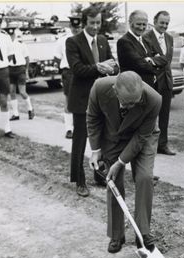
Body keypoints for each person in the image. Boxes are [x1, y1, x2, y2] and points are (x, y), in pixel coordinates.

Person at [87, 71, 161, 254]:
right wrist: (95, 150)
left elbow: (141, 137)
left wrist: (121, 161)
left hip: (143, 137)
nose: (129, 107)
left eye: (134, 104)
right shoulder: (99, 88)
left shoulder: (154, 99)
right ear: (115, 90)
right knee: (113, 181)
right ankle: (116, 234)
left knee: (144, 177)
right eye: (126, 103)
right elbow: (93, 118)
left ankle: (142, 233)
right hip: (113, 136)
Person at [66, 6, 119, 197]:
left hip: (102, 99)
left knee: (102, 139)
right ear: (83, 23)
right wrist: (98, 67)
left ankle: (99, 174)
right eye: (92, 23)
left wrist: (111, 68)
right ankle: (79, 180)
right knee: (80, 141)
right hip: (81, 100)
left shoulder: (103, 40)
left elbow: (113, 65)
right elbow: (78, 69)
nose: (96, 27)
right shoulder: (73, 42)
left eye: (99, 22)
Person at [142, 11, 176, 156]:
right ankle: (149, 146)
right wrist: (155, 59)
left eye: (167, 23)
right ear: (155, 21)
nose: (164, 25)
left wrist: (157, 58)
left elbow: (167, 58)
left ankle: (163, 144)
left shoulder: (169, 37)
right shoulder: (146, 37)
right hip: (152, 80)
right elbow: (146, 58)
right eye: (162, 22)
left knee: (164, 115)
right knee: (149, 115)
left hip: (166, 80)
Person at [117, 10, 165, 87]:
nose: (141, 27)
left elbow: (164, 59)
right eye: (138, 24)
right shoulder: (124, 41)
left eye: (144, 24)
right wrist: (156, 63)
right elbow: (141, 65)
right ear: (130, 23)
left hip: (150, 86)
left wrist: (149, 60)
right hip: (133, 88)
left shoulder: (146, 40)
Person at [54, 15, 83, 139]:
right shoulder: (62, 40)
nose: (76, 30)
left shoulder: (85, 40)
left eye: (78, 27)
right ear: (70, 26)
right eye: (74, 27)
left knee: (84, 101)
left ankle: (82, 128)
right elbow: (57, 57)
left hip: (83, 72)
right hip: (69, 72)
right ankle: (69, 129)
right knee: (69, 101)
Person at [4, 26, 35, 121]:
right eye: (9, 35)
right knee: (12, 91)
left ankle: (30, 109)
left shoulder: (21, 44)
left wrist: (26, 71)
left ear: (14, 34)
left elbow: (27, 58)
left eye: (12, 35)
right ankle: (15, 114)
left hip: (20, 69)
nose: (11, 37)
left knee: (22, 92)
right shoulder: (4, 45)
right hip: (10, 69)